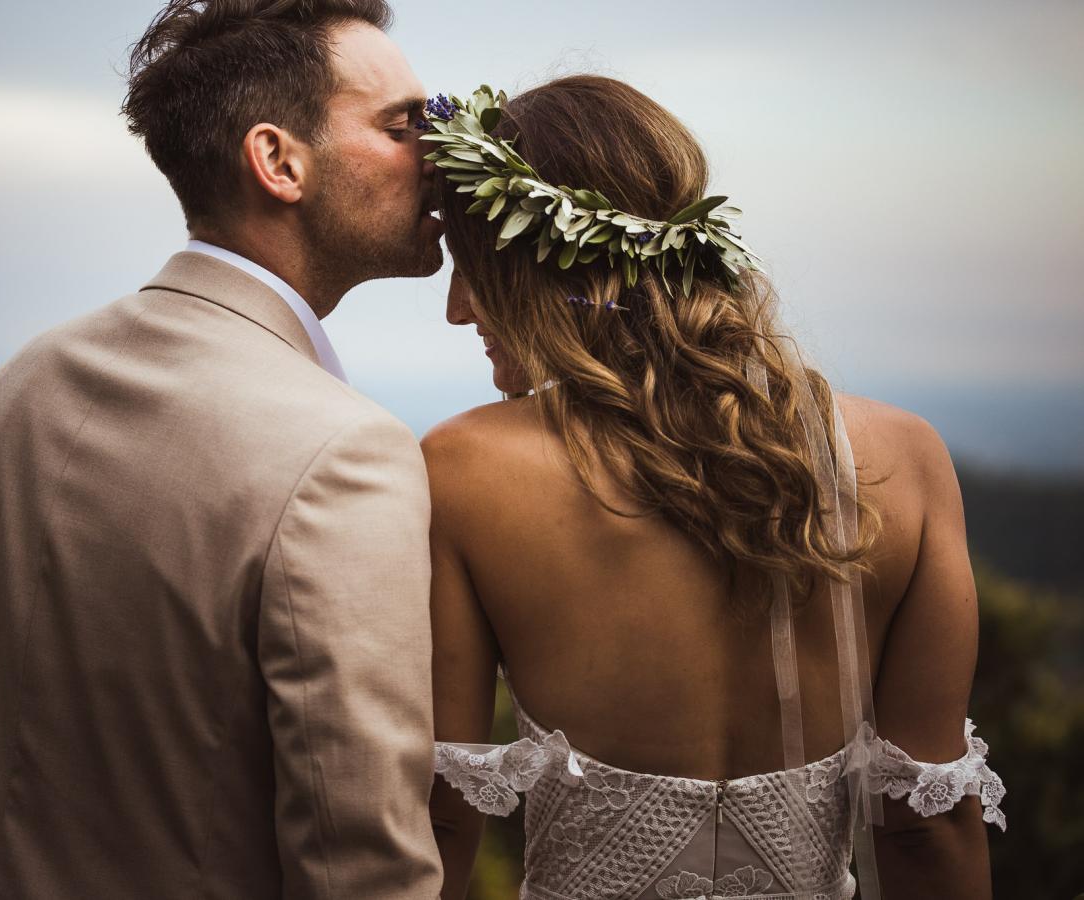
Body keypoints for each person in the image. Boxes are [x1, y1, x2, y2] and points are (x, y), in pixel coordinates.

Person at [0, 1, 446, 897]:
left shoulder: (12, 390)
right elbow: (363, 866)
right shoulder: (344, 454)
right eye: (401, 126)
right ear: (279, 162)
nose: (440, 154)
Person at [423, 77, 1003, 899]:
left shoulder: (462, 469)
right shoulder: (907, 460)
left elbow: (443, 822)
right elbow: (930, 828)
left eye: (475, 266)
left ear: (545, 259)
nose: (456, 309)